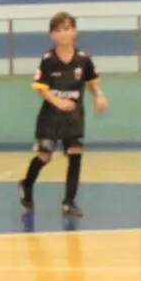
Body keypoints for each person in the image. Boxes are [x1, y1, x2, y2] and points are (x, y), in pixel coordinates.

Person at [19, 11, 108, 216]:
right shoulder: (48, 60)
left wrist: (99, 95)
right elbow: (41, 88)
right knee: (45, 155)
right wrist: (57, 101)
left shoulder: (84, 59)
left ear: (75, 31)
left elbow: (92, 80)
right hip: (50, 117)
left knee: (75, 155)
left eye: (67, 28)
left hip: (74, 117)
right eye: (58, 30)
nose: (63, 34)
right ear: (52, 35)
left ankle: (69, 202)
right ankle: (26, 184)